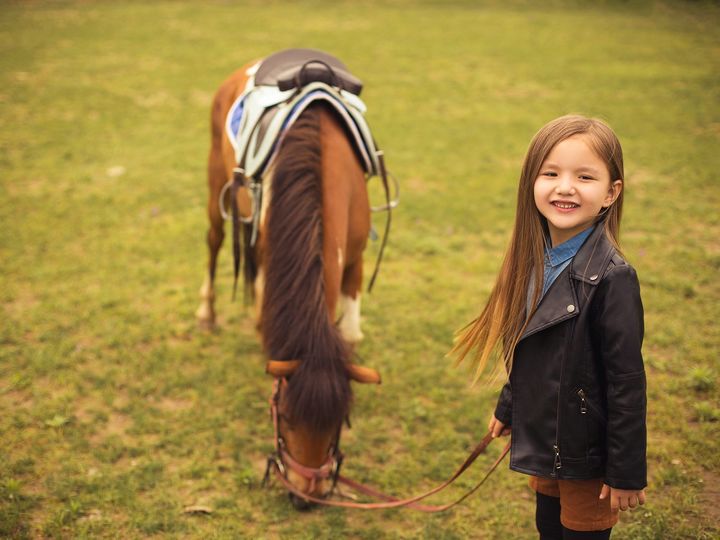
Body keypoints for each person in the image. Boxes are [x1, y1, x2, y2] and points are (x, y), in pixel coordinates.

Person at [452, 115, 647, 539]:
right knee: (547, 525)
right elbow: (535, 351)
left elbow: (626, 383)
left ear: (611, 192)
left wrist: (626, 469)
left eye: (585, 176)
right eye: (551, 173)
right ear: (531, 183)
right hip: (548, 437)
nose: (565, 187)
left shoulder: (613, 278)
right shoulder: (533, 259)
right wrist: (509, 407)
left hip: (585, 449)